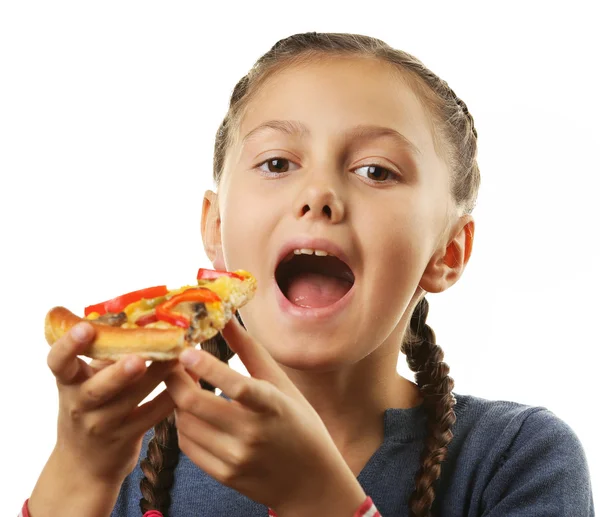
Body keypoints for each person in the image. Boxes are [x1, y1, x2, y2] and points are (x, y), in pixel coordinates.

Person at [23, 32, 594, 517]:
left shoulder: (513, 457)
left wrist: (317, 498)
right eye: (277, 163)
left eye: (376, 170)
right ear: (216, 227)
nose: (319, 194)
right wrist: (78, 476)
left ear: (447, 251)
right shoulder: (126, 458)